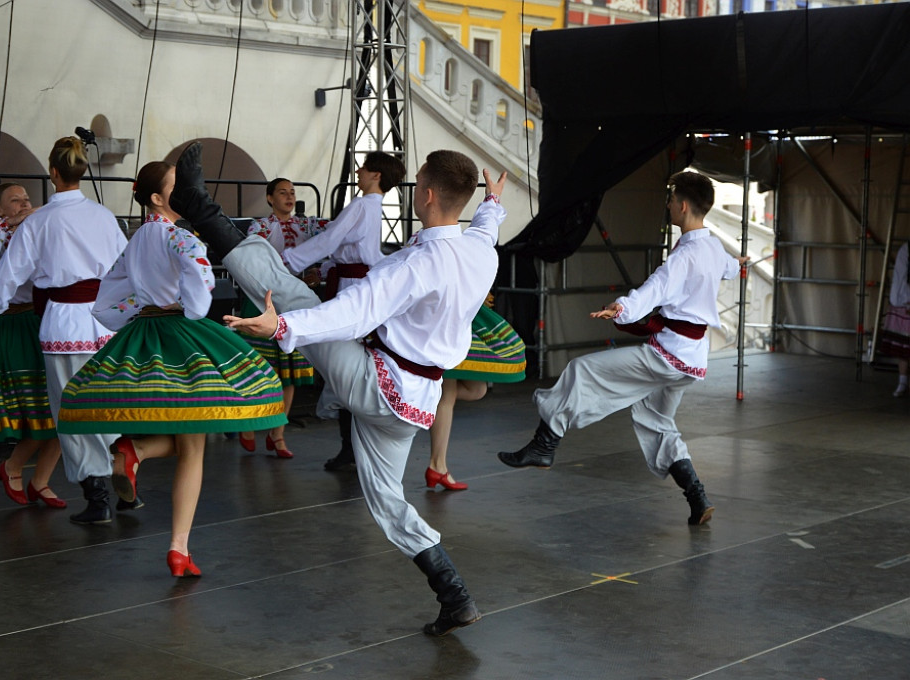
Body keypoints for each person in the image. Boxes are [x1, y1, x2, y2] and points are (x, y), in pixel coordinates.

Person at [170, 142, 505, 636]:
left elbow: (352, 312)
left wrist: (281, 329)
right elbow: (485, 225)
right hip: (414, 402)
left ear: (427, 194)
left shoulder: (417, 265)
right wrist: (492, 205)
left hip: (376, 384)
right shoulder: (480, 250)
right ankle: (455, 596)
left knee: (292, 294)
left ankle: (200, 208)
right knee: (387, 500)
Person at [57, 161, 287, 576]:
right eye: (176, 187)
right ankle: (178, 545)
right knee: (196, 443)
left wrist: (143, 306)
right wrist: (182, 305)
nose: (185, 192)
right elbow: (200, 289)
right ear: (158, 199)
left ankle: (136, 452)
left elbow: (106, 303)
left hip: (144, 332)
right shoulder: (180, 238)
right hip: (182, 336)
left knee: (191, 438)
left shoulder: (136, 239)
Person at [499, 170, 747, 526]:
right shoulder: (712, 247)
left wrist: (622, 308)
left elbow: (655, 289)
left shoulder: (685, 256)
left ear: (683, 205)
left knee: (582, 370)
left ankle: (545, 444)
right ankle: (697, 496)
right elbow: (726, 268)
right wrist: (737, 266)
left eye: (671, 200)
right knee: (656, 419)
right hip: (691, 358)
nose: (668, 206)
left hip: (669, 355)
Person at [0, 136, 127, 525]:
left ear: (53, 173)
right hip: (105, 322)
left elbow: (9, 273)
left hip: (65, 323)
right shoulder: (103, 216)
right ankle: (124, 469)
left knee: (72, 412)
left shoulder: (40, 220)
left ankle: (97, 497)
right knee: (107, 403)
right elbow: (125, 267)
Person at [271, 151, 404, 473]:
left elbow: (331, 239)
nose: (357, 171)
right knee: (356, 364)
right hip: (354, 281)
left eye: (363, 168)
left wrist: (286, 261)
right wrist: (327, 266)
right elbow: (349, 248)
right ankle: (357, 446)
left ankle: (351, 447)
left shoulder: (361, 205)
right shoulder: (374, 207)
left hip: (350, 287)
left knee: (345, 364)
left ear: (375, 175)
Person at [0, 182, 64, 508]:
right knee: (37, 410)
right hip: (17, 323)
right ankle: (13, 466)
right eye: (14, 200)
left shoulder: (37, 229)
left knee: (64, 411)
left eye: (27, 199)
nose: (23, 204)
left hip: (46, 320)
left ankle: (42, 481)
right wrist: (35, 214)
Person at [234, 177, 327, 458]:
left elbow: (331, 240)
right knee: (259, 367)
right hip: (262, 301)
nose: (289, 197)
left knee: (289, 373)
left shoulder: (307, 225)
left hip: (296, 301)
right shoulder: (259, 227)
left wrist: (315, 274)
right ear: (270, 198)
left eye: (292, 193)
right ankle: (249, 424)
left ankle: (278, 434)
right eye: (282, 193)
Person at [426, 301, 526, 491]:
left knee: (477, 390)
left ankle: (419, 397)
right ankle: (437, 465)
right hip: (447, 317)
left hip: (462, 316)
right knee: (448, 394)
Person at [879, 241, 910, 397]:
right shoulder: (907, 249)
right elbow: (900, 276)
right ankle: (902, 382)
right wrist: (901, 299)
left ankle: (903, 382)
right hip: (906, 303)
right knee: (905, 348)